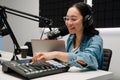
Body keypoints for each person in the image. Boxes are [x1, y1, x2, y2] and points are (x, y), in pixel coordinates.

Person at [31, 2, 103, 70]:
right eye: (67, 19)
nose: (68, 23)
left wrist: (56, 54)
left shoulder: (96, 39)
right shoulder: (71, 38)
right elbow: (68, 62)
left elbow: (89, 59)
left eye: (73, 19)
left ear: (86, 20)